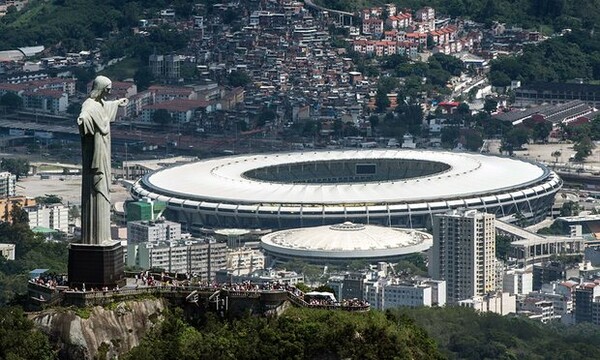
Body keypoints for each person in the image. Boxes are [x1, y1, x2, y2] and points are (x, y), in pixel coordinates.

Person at [77, 76, 128, 245]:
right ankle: (94, 239)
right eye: (107, 89)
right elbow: (85, 114)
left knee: (104, 187)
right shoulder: (89, 105)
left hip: (104, 150)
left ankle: (104, 238)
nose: (109, 92)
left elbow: (104, 107)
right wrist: (83, 120)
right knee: (95, 189)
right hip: (96, 153)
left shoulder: (99, 103)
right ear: (100, 88)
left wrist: (117, 103)